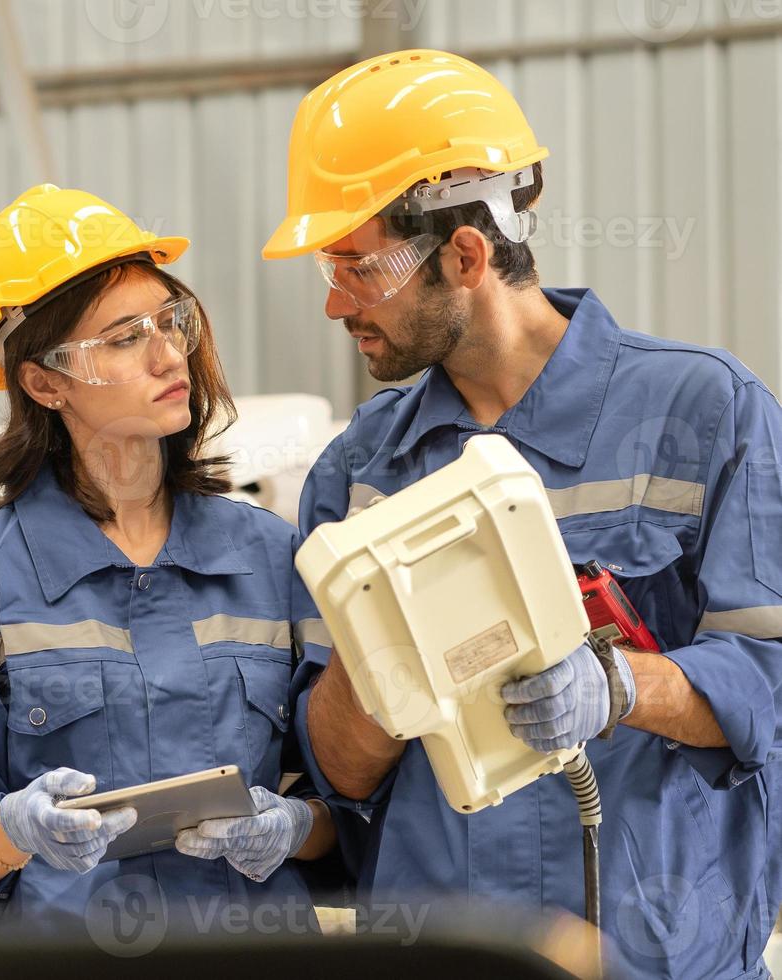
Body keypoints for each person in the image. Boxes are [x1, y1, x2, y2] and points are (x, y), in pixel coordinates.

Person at [264, 49, 782, 978]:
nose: (337, 302)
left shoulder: (704, 414)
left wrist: (621, 690)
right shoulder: (358, 471)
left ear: (464, 255)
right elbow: (337, 773)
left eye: (356, 267)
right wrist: (384, 652)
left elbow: (769, 680)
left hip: (650, 956)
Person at [0, 184, 335, 940]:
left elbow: (351, 799)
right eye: (125, 338)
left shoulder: (269, 558)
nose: (169, 354)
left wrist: (292, 826)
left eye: (172, 321)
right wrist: (11, 831)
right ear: (43, 381)